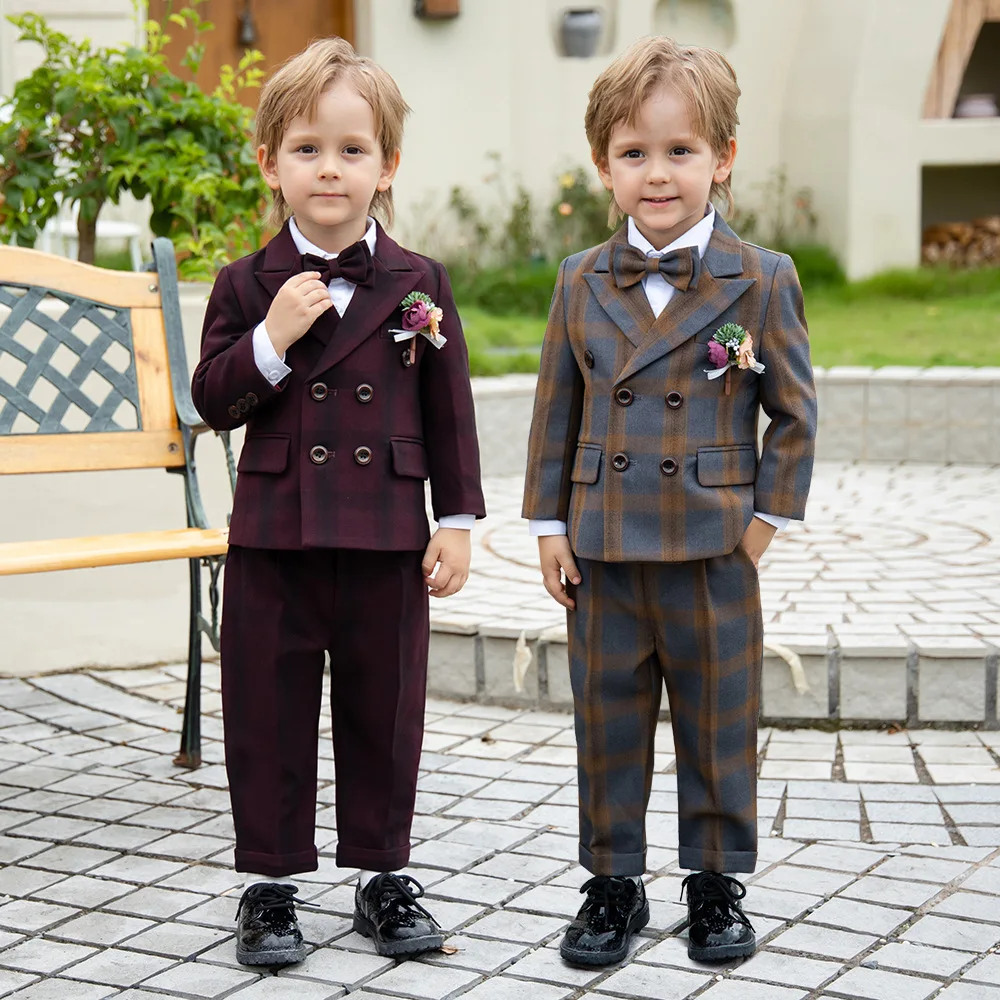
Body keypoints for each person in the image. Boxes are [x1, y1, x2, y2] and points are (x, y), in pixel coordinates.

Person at [522, 35, 816, 966]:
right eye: (635, 154)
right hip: (604, 547)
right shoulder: (579, 279)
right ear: (604, 166)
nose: (658, 174)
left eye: (681, 151)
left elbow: (796, 416)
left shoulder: (760, 278)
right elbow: (553, 412)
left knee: (719, 718)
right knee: (605, 721)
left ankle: (715, 883)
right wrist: (546, 525)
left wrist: (760, 525)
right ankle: (612, 887)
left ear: (723, 159)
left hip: (710, 546)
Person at [192, 37, 485, 967]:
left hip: (386, 536)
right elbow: (210, 400)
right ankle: (270, 886)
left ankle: (382, 876)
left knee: (383, 708)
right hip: (275, 540)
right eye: (308, 148)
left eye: (353, 150)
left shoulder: (419, 283)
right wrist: (273, 340)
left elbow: (451, 412)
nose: (330, 168)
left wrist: (460, 522)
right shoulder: (246, 284)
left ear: (387, 165)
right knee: (266, 712)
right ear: (270, 162)